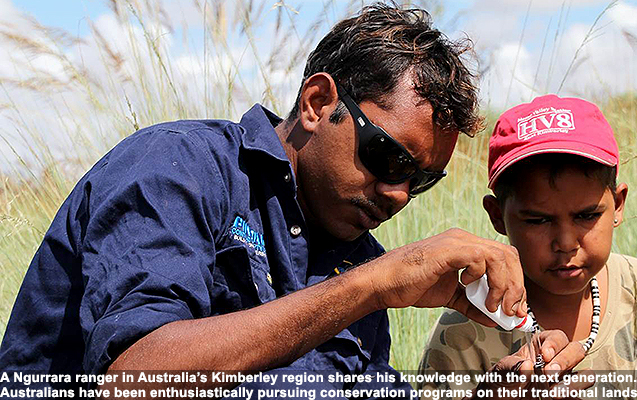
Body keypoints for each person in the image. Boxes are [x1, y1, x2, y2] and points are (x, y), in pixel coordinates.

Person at [0, 4, 585, 399]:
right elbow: (136, 377)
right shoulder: (179, 169)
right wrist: (371, 286)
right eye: (388, 158)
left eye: (421, 180)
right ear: (316, 101)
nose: (398, 193)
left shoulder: (358, 264)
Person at [417, 95, 637, 399]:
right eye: (538, 220)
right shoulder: (468, 328)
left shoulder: (636, 286)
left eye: (587, 216)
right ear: (497, 216)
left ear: (618, 205)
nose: (566, 242)